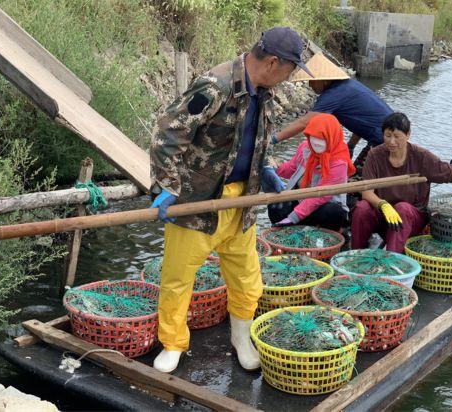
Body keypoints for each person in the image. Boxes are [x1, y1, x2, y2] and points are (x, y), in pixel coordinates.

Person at [149, 27, 312, 373]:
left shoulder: (263, 93)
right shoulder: (216, 86)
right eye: (290, 69)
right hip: (200, 202)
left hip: (241, 201)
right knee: (178, 278)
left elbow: (251, 139)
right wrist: (166, 185)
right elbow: (168, 132)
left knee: (247, 277)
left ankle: (241, 337)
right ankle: (173, 343)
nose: (290, 77)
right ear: (272, 63)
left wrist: (264, 169)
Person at [351, 112, 452, 253]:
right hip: (384, 214)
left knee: (402, 208)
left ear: (408, 134)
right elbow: (367, 193)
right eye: (388, 136)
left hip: (411, 218)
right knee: (361, 208)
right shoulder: (375, 155)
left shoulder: (421, 156)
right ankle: (355, 255)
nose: (392, 142)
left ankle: (392, 261)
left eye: (397, 136)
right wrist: (383, 205)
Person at [272, 53, 393, 167]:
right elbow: (362, 120)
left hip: (387, 140)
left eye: (312, 81)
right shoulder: (348, 85)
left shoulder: (333, 94)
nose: (310, 85)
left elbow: (304, 122)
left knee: (361, 183)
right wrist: (350, 146)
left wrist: (274, 139)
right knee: (357, 176)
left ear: (324, 80)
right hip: (386, 135)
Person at [268, 113, 355, 231]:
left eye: (322, 138)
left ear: (332, 137)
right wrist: (273, 167)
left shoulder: (339, 162)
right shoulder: (305, 148)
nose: (316, 142)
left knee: (333, 211)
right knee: (275, 206)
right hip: (301, 199)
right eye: (313, 137)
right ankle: (286, 232)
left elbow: (320, 196)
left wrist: (293, 217)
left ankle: (322, 239)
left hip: (323, 205)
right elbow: (291, 169)